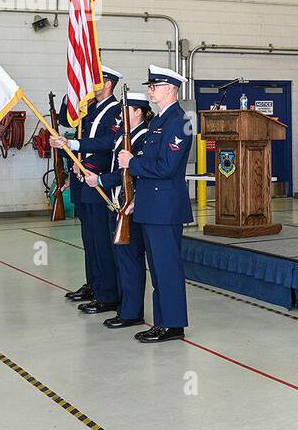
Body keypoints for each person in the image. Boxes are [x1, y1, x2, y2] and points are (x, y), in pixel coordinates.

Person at [116, 66, 193, 344]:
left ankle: (172, 325)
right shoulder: (160, 121)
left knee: (167, 268)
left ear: (172, 89)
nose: (150, 90)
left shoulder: (179, 121)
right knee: (158, 269)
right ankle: (164, 322)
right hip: (152, 205)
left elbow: (166, 167)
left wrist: (132, 163)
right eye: (150, 86)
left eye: (155, 85)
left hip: (165, 208)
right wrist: (137, 198)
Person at [52, 66, 123, 314]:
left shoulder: (116, 111)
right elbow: (65, 120)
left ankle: (107, 293)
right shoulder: (89, 108)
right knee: (89, 238)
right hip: (82, 180)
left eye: (97, 80)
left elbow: (107, 143)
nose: (91, 85)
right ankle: (94, 284)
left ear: (109, 84)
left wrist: (73, 143)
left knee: (101, 239)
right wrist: (69, 97)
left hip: (98, 180)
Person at [83, 92, 153, 330]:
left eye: (126, 110)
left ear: (138, 112)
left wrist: (101, 181)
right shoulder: (126, 137)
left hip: (131, 206)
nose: (120, 115)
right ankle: (125, 308)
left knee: (130, 260)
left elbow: (133, 172)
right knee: (121, 259)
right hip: (118, 203)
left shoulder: (143, 137)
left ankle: (132, 312)